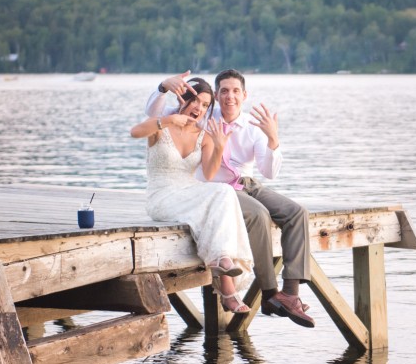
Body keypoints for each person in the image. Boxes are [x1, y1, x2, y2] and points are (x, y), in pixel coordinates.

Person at [145, 70, 314, 328]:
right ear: (216, 94)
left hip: (247, 184)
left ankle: (290, 294)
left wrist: (273, 139)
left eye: (235, 91)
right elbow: (154, 113)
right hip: (217, 189)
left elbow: (269, 172)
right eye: (224, 91)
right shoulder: (201, 113)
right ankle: (269, 293)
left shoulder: (252, 126)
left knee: (297, 212)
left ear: (244, 95)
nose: (229, 96)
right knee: (258, 215)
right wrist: (162, 87)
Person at [130, 78, 254, 314]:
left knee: (225, 191)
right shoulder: (161, 126)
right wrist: (168, 119)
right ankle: (227, 285)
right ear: (182, 99)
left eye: (206, 105)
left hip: (189, 191)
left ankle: (221, 263)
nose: (199, 108)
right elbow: (134, 132)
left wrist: (218, 146)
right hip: (162, 197)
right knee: (214, 204)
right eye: (195, 100)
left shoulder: (203, 135)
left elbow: (208, 174)